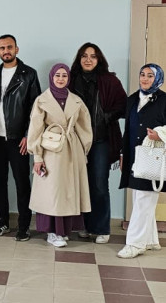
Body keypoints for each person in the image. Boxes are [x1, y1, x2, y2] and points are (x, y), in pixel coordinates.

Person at [27, 64, 93, 248]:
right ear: (51, 77)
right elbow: (35, 129)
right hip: (50, 149)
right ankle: (52, 231)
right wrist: (37, 156)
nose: (61, 79)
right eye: (57, 75)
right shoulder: (42, 100)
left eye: (64, 75)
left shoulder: (76, 101)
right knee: (53, 192)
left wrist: (83, 151)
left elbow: (85, 127)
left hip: (72, 149)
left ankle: (64, 230)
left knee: (69, 191)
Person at [70, 43, 127, 243]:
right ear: (79, 59)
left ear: (99, 59)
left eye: (93, 56)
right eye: (84, 56)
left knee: (99, 184)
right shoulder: (71, 80)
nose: (88, 60)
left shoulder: (109, 80)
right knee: (80, 184)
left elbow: (123, 106)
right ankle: (84, 225)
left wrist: (106, 116)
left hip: (101, 140)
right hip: (76, 141)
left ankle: (101, 228)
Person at [0, 34, 41, 240]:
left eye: (9, 47)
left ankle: (24, 226)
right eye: (2, 48)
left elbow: (36, 108)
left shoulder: (29, 74)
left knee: (22, 183)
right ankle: (1, 222)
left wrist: (28, 135)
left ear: (16, 49)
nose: (6, 51)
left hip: (18, 139)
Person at [118, 64, 166, 258]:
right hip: (134, 157)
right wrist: (123, 154)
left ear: (157, 79)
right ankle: (151, 239)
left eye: (150, 76)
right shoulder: (132, 99)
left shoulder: (164, 100)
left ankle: (135, 244)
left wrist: (160, 134)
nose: (145, 79)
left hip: (153, 158)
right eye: (142, 74)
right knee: (140, 198)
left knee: (144, 199)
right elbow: (128, 129)